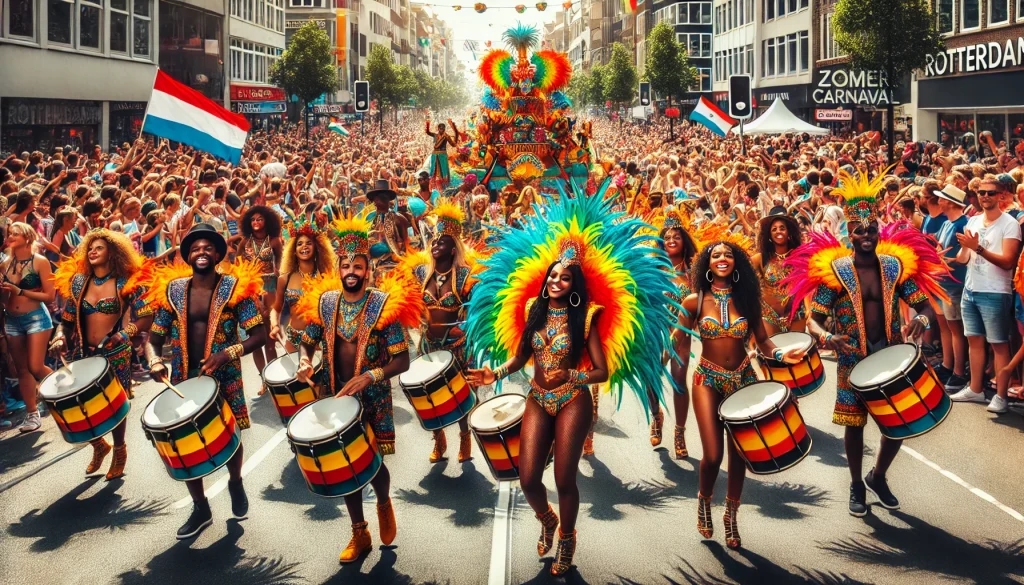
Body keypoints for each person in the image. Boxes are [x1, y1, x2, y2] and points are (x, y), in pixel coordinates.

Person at [466, 193, 677, 576]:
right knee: (527, 478)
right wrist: (494, 374)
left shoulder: (587, 318)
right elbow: (520, 357)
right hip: (537, 397)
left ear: (574, 283)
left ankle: (566, 537)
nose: (556, 280)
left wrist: (574, 376)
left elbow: (601, 371)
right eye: (553, 275)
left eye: (565, 277)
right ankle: (547, 519)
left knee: (564, 477)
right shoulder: (533, 309)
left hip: (574, 401)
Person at [788, 168, 945, 518]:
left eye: (871, 228)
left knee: (899, 422)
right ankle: (857, 483)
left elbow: (924, 305)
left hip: (889, 356)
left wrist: (919, 321)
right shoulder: (836, 271)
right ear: (849, 233)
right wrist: (827, 335)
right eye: (859, 229)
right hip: (851, 357)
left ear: (878, 229)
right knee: (854, 425)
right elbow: (814, 316)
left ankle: (879, 476)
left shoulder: (893, 267)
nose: (866, 234)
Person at [295, 212, 420, 563]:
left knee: (373, 462)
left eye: (358, 266)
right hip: (334, 394)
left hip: (372, 397)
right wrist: (305, 360)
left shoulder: (384, 305)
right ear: (339, 270)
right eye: (346, 265)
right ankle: (359, 532)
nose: (351, 271)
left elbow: (401, 361)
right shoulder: (326, 302)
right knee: (344, 461)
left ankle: (383, 502)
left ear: (368, 270)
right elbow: (308, 340)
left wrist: (371, 376)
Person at [677, 238, 805, 550]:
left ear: (737, 264)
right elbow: (678, 340)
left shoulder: (748, 300)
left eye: (728, 255)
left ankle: (731, 515)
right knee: (712, 455)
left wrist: (780, 356)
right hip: (707, 379)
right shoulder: (693, 301)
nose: (722, 259)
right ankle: (705, 501)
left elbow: (762, 340)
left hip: (743, 378)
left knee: (739, 454)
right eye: (716, 255)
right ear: (706, 264)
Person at [146, 223, 268, 539]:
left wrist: (227, 354)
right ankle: (200, 507)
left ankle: (236, 481)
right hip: (186, 378)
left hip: (225, 375)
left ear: (217, 254)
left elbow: (259, 335)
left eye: (208, 247)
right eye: (195, 248)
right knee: (185, 443)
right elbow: (154, 338)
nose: (202, 252)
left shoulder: (236, 288)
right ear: (188, 255)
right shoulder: (173, 291)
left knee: (232, 432)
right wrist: (154, 359)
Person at [50, 230, 152, 479]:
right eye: (90, 248)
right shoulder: (79, 282)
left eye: (100, 248)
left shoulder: (125, 282)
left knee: (115, 404)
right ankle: (99, 446)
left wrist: (124, 334)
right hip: (84, 352)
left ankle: (119, 451)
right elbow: (66, 320)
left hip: (115, 352)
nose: (93, 252)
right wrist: (59, 336)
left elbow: (146, 317)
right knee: (83, 405)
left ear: (113, 252)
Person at [405, 200, 477, 463]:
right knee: (428, 396)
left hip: (456, 347)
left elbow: (476, 309)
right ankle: (438, 439)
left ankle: (464, 435)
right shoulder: (421, 272)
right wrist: (415, 320)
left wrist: (464, 326)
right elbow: (409, 302)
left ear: (453, 247)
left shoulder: (465, 275)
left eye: (442, 242)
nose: (436, 245)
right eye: (434, 241)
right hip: (428, 345)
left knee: (459, 396)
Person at [950, 174, 1022, 413]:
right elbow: (964, 257)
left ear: (1001, 196)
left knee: (999, 344)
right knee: (974, 341)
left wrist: (977, 248)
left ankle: (1001, 395)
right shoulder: (972, 221)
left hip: (995, 292)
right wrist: (953, 256)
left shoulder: (1009, 224)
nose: (985, 197)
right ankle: (976, 388)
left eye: (991, 193)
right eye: (982, 193)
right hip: (971, 289)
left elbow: (1008, 262)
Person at [649, 208, 699, 458]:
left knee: (679, 382)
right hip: (655, 332)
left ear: (684, 241)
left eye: (676, 237)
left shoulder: (694, 272)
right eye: (667, 237)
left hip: (682, 334)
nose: (671, 240)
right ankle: (656, 414)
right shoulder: (652, 269)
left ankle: (679, 430)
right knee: (650, 378)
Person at [2, 222, 57, 433]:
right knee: (21, 369)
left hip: (36, 317)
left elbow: (50, 296)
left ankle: (63, 392)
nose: (10, 236)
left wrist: (20, 290)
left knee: (35, 366)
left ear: (27, 237)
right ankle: (32, 414)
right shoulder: (4, 265)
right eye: (9, 234)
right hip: (12, 319)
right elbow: (5, 298)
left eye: (15, 233)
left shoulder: (40, 262)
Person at [228, 205, 282, 391]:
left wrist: (279, 275)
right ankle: (263, 379)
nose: (256, 222)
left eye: (260, 219)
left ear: (267, 220)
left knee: (269, 337)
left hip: (269, 287)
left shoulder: (274, 241)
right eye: (253, 219)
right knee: (255, 338)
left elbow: (281, 266)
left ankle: (274, 378)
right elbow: (238, 268)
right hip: (251, 290)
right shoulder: (244, 242)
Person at [269, 218, 337, 351]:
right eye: (299, 244)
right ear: (294, 250)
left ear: (317, 248)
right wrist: (275, 324)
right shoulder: (284, 279)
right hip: (293, 341)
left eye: (308, 243)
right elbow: (276, 308)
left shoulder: (326, 278)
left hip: (319, 343)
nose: (304, 246)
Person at [932, 184, 970, 393]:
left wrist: (941, 260)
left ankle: (958, 372)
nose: (939, 200)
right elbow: (939, 247)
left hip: (955, 284)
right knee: (949, 326)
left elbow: (960, 258)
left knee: (956, 329)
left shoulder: (963, 224)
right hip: (944, 283)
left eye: (942, 198)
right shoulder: (947, 224)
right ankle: (948, 366)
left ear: (950, 202)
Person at [751, 206, 805, 335]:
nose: (778, 231)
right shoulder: (760, 259)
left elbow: (807, 287)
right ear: (769, 235)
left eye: (782, 228)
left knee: (799, 353)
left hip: (795, 315)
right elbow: (753, 291)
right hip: (769, 316)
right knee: (772, 353)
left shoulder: (800, 257)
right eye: (774, 229)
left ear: (788, 232)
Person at [365, 180, 410, 275]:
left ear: (387, 200)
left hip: (394, 262)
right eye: (375, 199)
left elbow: (406, 243)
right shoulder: (369, 217)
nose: (376, 202)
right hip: (371, 262)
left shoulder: (398, 218)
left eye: (379, 199)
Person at [425, 119, 459, 188]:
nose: (441, 130)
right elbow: (428, 132)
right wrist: (428, 124)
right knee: (433, 170)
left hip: (442, 155)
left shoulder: (446, 136)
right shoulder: (435, 135)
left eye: (443, 129)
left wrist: (455, 132)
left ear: (444, 129)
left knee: (443, 171)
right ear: (438, 129)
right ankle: (433, 185)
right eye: (440, 129)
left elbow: (453, 144)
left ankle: (444, 185)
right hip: (435, 155)